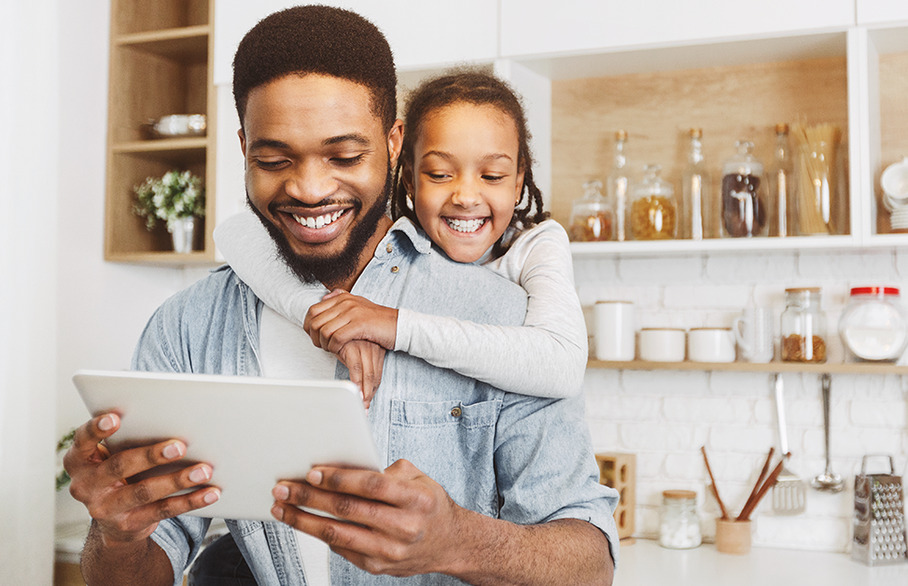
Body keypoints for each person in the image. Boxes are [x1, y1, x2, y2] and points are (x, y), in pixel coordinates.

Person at [64, 6, 619, 585]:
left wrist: (458, 542)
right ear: (243, 146)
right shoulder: (188, 327)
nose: (309, 188)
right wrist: (117, 533)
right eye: (273, 160)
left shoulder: (501, 318)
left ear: (394, 142)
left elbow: (589, 566)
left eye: (345, 157)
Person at [215, 69, 587, 407]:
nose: (466, 196)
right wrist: (326, 313)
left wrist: (394, 325)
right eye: (440, 175)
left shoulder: (536, 244)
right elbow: (233, 231)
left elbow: (562, 365)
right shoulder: (397, 240)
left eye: (492, 176)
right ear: (409, 179)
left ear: (519, 181)